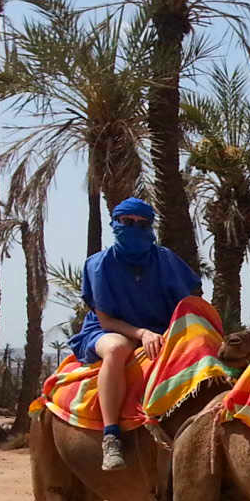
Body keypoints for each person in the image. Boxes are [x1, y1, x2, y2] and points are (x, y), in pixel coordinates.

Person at [70, 197, 202, 471]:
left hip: (161, 331)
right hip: (110, 329)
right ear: (115, 223)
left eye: (143, 224)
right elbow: (106, 319)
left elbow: (189, 302)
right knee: (118, 349)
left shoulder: (166, 260)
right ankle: (111, 435)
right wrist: (141, 334)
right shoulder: (99, 265)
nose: (135, 228)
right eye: (127, 222)